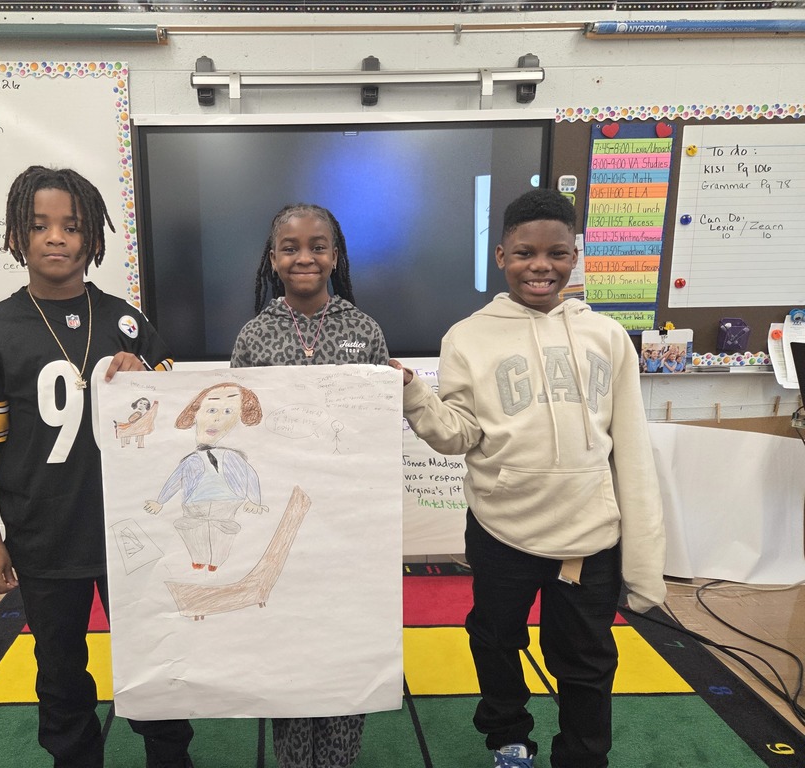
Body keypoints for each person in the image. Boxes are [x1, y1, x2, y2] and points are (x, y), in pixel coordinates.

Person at [391, 189, 665, 768]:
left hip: (590, 531)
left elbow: (632, 449)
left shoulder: (609, 338)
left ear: (574, 257)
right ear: (500, 257)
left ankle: (584, 755)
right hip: (501, 526)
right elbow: (459, 434)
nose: (541, 266)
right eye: (524, 253)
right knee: (494, 639)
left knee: (587, 658)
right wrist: (414, 393)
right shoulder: (467, 336)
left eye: (557, 253)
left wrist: (645, 557)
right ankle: (508, 734)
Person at [0, 165, 194, 768]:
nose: (57, 238)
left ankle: (170, 755)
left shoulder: (126, 321)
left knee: (155, 650)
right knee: (58, 667)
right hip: (43, 534)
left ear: (92, 239)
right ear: (16, 235)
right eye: (40, 225)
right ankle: (75, 757)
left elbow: (183, 418)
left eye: (72, 226)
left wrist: (147, 380)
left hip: (133, 532)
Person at [230, 202, 390, 768]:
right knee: (290, 643)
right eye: (291, 247)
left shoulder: (363, 329)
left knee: (346, 642)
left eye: (318, 246)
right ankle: (295, 758)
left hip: (348, 526)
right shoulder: (253, 337)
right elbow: (239, 428)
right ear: (273, 260)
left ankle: (340, 758)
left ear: (336, 256)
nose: (305, 256)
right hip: (281, 522)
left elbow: (379, 428)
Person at [144, 381, 269, 572]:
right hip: (194, 505)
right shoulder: (191, 460)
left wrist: (255, 500)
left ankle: (216, 562)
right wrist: (160, 501)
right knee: (192, 530)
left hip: (227, 504)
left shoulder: (233, 457)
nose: (217, 418)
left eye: (228, 412)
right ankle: (198, 559)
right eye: (211, 410)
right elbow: (176, 480)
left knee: (224, 534)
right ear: (195, 414)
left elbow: (250, 476)